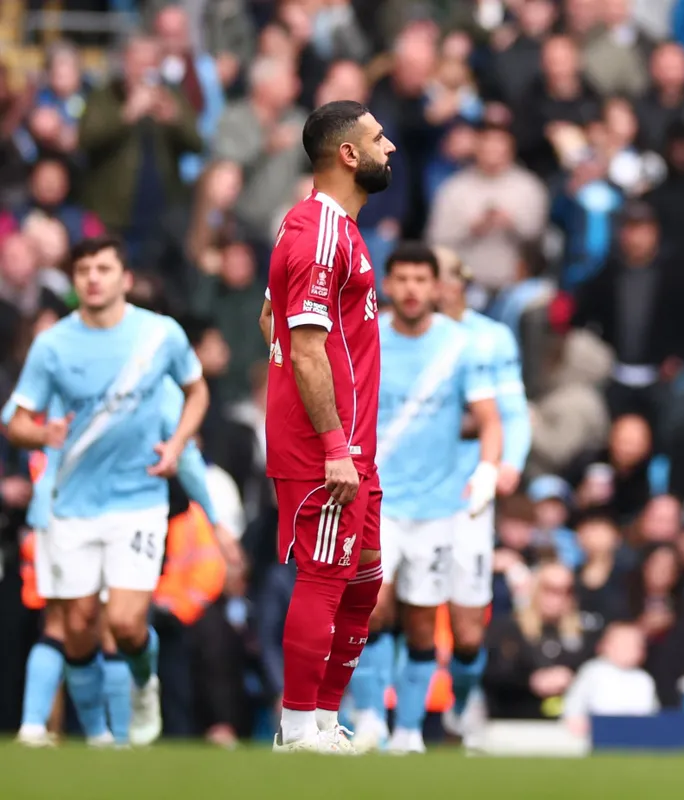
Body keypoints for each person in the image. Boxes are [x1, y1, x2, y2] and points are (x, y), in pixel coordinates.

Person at [3, 235, 211, 748]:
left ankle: (144, 686)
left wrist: (177, 445)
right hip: (70, 506)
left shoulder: (159, 335)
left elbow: (197, 389)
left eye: (103, 268)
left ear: (125, 278)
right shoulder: (53, 345)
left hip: (137, 501)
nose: (93, 278)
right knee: (76, 627)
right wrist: (42, 433)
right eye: (83, 271)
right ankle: (97, 736)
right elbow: (15, 421)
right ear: (74, 282)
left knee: (124, 622)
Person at [264, 100, 394, 753]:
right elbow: (306, 346)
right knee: (323, 575)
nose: (390, 146)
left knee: (364, 577)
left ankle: (321, 721)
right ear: (348, 155)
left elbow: (272, 320)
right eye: (377, 137)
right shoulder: (318, 233)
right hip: (327, 449)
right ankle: (295, 728)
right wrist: (333, 444)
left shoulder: (332, 228)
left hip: (351, 445)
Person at [9, 378, 228, 748]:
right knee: (68, 624)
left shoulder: (100, 360)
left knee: (114, 626)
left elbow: (183, 441)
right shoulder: (79, 356)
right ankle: (67, 731)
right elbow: (16, 423)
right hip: (70, 511)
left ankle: (117, 736)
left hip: (116, 513)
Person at [350, 242, 503, 754]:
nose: (412, 289)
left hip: (438, 509)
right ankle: (370, 716)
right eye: (403, 280)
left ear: (436, 287)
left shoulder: (463, 346)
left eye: (422, 280)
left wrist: (487, 469)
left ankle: (410, 729)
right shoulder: (367, 339)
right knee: (371, 610)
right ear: (387, 286)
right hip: (379, 503)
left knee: (420, 621)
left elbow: (490, 420)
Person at [434, 245, 533, 746]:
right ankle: (373, 715)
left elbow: (511, 412)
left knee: (467, 625)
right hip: (405, 491)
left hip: (468, 489)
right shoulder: (394, 333)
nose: (436, 286)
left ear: (461, 283)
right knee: (385, 606)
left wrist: (507, 463)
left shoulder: (489, 338)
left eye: (446, 276)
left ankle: (463, 693)